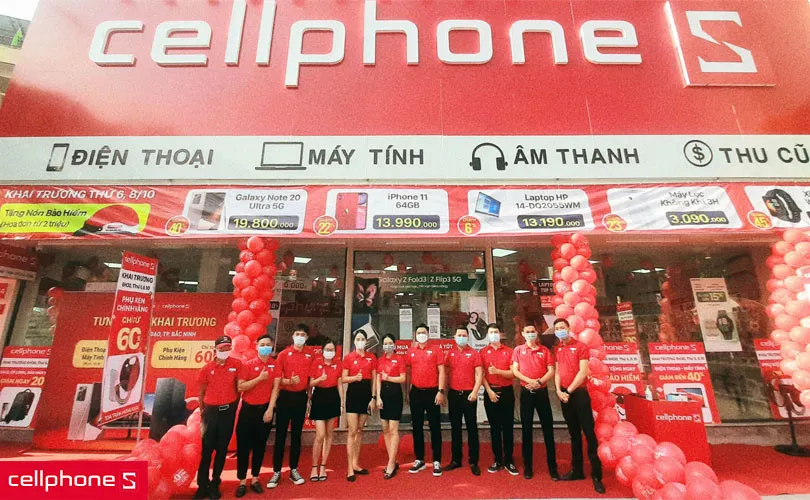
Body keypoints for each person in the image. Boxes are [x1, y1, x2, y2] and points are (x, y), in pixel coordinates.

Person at [553, 318, 605, 494]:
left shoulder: (581, 346)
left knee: (589, 433)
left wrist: (568, 390)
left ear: (568, 328)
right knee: (573, 434)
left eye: (562, 327)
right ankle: (577, 470)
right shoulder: (558, 348)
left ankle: (597, 476)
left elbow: (583, 372)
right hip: (564, 395)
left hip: (579, 394)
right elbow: (558, 372)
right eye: (557, 328)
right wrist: (558, 391)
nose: (560, 330)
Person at [194, 336, 242, 500]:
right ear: (215, 349)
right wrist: (204, 413)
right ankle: (202, 486)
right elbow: (201, 393)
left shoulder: (236, 364)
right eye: (222, 348)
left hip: (227, 413)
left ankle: (215, 484)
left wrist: (231, 407)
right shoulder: (207, 368)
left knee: (222, 450)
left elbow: (238, 389)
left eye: (227, 347)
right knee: (207, 451)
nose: (224, 350)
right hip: (210, 413)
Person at [267, 324, 313, 489]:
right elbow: (276, 379)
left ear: (307, 338)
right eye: (297, 334)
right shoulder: (283, 354)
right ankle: (276, 471)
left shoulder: (310, 355)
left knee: (296, 436)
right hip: (285, 397)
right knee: (280, 435)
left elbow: (310, 379)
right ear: (293, 336)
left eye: (303, 334)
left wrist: (309, 398)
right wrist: (288, 381)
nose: (300, 337)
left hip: (300, 398)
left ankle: (294, 469)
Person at [511, 322, 558, 481]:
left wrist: (538, 382)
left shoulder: (544, 351)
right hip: (526, 392)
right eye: (528, 331)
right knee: (526, 430)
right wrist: (530, 381)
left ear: (537, 333)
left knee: (548, 429)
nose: (531, 333)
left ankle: (553, 467)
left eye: (533, 331)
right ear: (523, 334)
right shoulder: (518, 350)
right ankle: (528, 467)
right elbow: (515, 370)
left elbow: (551, 371)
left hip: (541, 393)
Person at [234, 335, 277, 497]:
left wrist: (270, 409)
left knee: (260, 446)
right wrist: (259, 378)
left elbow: (276, 388)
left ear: (272, 347)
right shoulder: (248, 365)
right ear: (257, 346)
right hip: (248, 410)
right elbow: (241, 387)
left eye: (268, 345)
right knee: (244, 447)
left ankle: (255, 479)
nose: (265, 347)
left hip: (265, 410)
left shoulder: (274, 365)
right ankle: (242, 481)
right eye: (262, 344)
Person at [406, 323, 446, 476]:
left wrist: (440, 391)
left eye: (423, 332)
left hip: (432, 392)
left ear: (428, 334)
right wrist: (407, 392)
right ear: (415, 335)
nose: (421, 335)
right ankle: (419, 459)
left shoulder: (436, 350)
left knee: (435, 427)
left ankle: (437, 460)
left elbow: (442, 371)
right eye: (418, 332)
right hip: (416, 392)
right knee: (416, 427)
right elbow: (408, 372)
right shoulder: (411, 351)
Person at [444, 327, 484, 476]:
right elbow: (445, 374)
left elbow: (479, 374)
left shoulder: (474, 353)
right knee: (455, 428)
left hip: (469, 395)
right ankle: (456, 460)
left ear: (468, 337)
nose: (461, 337)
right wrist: (444, 392)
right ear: (455, 337)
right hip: (454, 394)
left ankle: (474, 461)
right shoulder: (450, 354)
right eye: (459, 335)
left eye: (464, 335)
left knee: (472, 428)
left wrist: (474, 392)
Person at [480, 323, 518, 475]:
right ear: (487, 335)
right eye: (491, 332)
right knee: (494, 428)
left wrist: (498, 371)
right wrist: (489, 391)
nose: (494, 334)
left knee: (508, 427)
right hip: (490, 392)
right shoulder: (483, 352)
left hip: (506, 392)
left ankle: (509, 460)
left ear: (500, 334)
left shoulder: (509, 351)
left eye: (496, 332)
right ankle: (497, 460)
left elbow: (513, 374)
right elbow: (481, 375)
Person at [342, 330, 377, 482]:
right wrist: (354, 378)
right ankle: (349, 467)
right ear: (354, 341)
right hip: (353, 395)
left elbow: (374, 379)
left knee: (360, 429)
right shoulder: (349, 357)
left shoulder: (371, 357)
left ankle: (356, 463)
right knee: (352, 430)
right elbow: (343, 378)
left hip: (366, 395)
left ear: (366, 341)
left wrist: (373, 398)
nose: (360, 341)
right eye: (358, 339)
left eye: (363, 339)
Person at [308, 338, 343, 482]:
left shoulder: (338, 364)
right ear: (322, 351)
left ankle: (323, 465)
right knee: (320, 435)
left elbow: (340, 384)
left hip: (333, 397)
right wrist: (319, 379)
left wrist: (342, 402)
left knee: (329, 435)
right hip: (319, 397)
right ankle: (314, 467)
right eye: (327, 349)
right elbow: (310, 383)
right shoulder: (316, 363)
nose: (329, 352)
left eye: (332, 350)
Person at [376, 333, 406, 479]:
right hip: (383, 396)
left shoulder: (399, 359)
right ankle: (392, 459)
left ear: (394, 345)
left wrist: (389, 378)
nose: (388, 345)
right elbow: (377, 379)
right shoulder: (380, 360)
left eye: (390, 343)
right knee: (385, 429)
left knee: (393, 430)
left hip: (395, 395)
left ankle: (391, 464)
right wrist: (377, 397)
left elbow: (403, 378)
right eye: (385, 343)